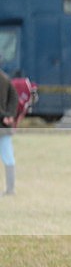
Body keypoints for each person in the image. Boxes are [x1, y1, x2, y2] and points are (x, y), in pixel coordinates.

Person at [0, 69, 18, 197]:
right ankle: (10, 189)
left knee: (8, 156)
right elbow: (14, 98)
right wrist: (10, 115)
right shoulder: (5, 79)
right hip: (5, 126)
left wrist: (4, 116)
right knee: (8, 157)